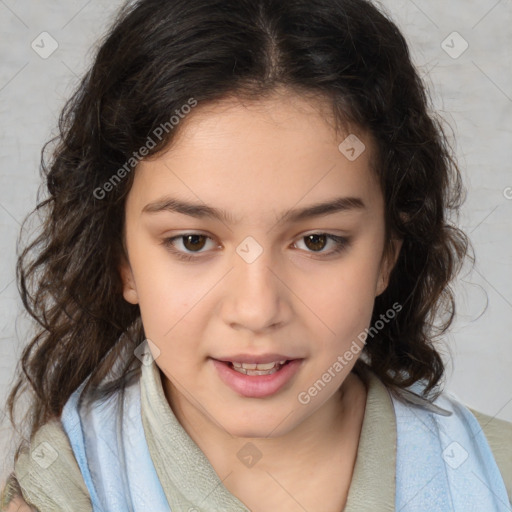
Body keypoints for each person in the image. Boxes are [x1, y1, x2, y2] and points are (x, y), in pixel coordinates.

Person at [1, 0, 511, 510]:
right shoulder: (57, 494)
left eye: (317, 241)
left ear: (387, 254)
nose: (257, 309)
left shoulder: (496, 477)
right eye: (193, 241)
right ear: (123, 261)